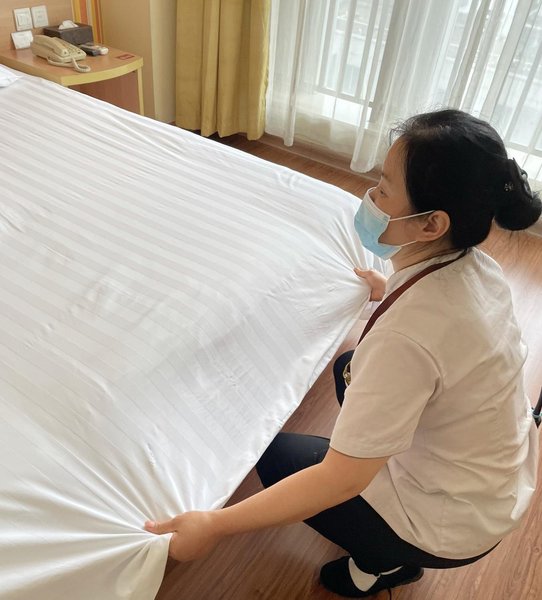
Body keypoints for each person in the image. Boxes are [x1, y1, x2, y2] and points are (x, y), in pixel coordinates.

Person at [145, 110, 541, 598]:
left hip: (449, 522)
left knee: (274, 457)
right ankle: (385, 534)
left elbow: (340, 480)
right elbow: (442, 335)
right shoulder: (479, 269)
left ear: (431, 223)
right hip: (494, 481)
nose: (370, 198)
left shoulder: (408, 339)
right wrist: (387, 289)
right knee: (346, 369)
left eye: (383, 189)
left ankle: (384, 562)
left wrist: (215, 524)